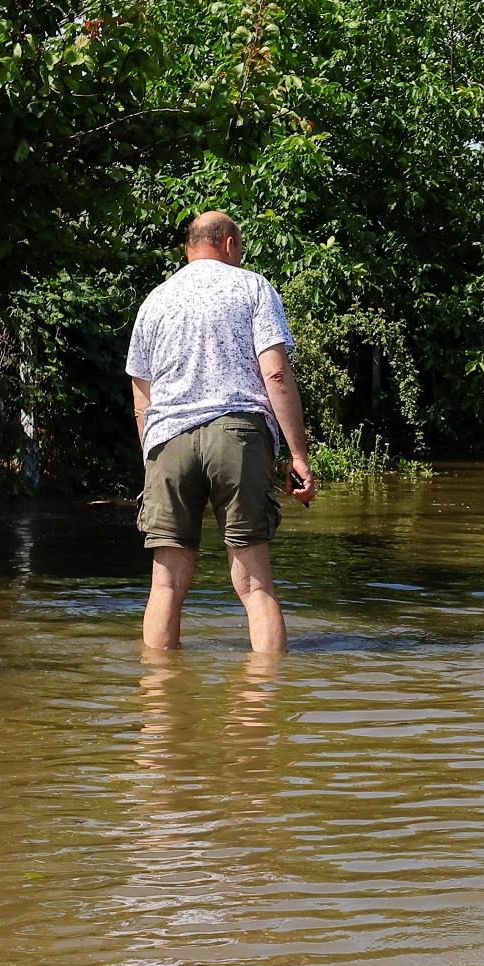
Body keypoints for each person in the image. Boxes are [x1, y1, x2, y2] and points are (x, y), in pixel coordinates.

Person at [126, 210, 315, 653]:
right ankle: (264, 707)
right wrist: (298, 455)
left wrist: (152, 460)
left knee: (166, 584)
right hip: (238, 435)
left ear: (189, 247)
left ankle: (159, 710)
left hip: (168, 440)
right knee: (255, 585)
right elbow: (276, 375)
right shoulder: (252, 287)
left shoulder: (155, 300)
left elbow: (141, 396)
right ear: (229, 244)